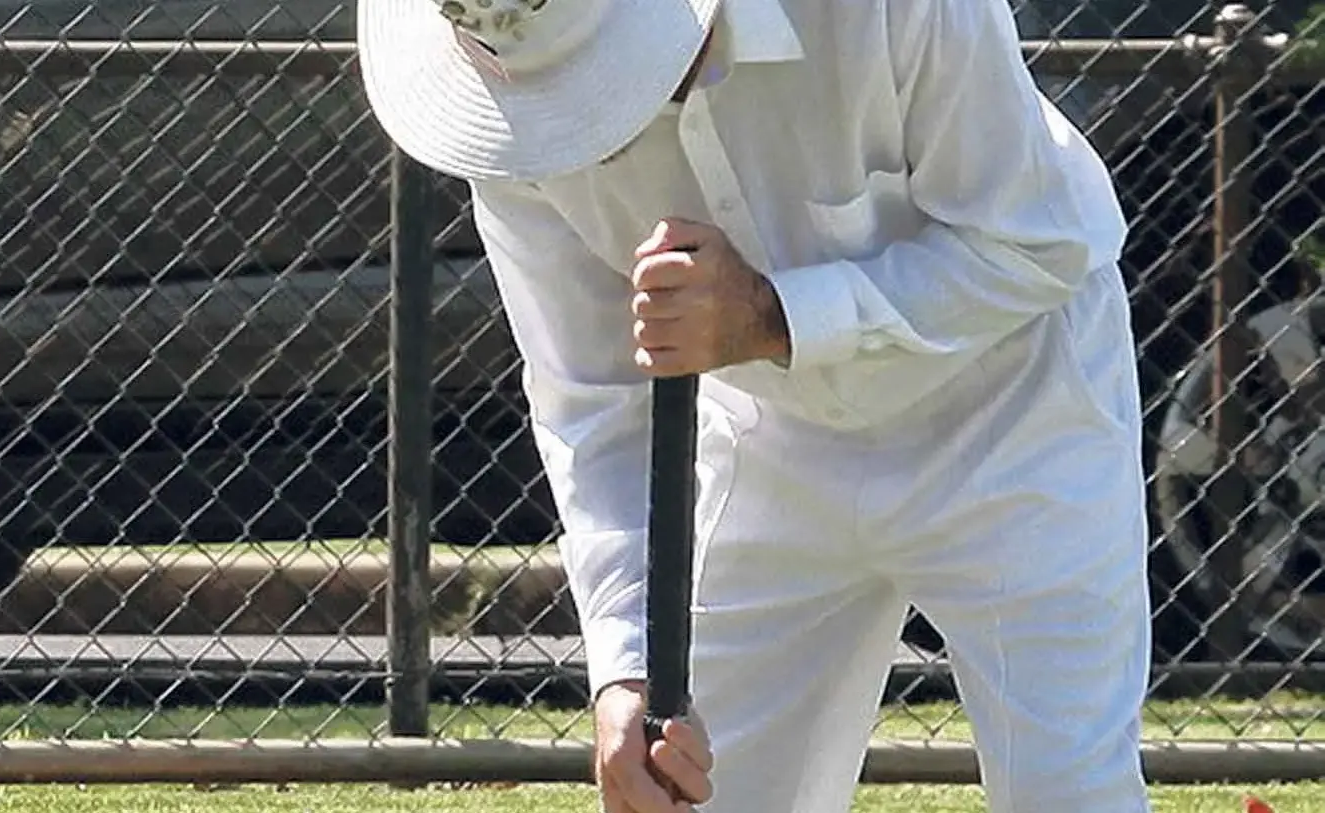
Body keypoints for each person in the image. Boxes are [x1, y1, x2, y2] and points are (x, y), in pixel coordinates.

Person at [358, 0, 1153, 811]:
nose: (585, 120)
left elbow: (1039, 238)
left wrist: (773, 314)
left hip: (1015, 409)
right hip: (768, 438)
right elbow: (591, 392)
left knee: (1067, 794)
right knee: (707, 798)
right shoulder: (507, 117)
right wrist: (627, 666)